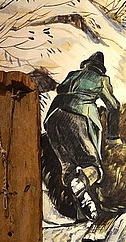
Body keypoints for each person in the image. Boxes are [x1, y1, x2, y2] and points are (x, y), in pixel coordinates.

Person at [43, 51, 120, 222]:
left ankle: (82, 213)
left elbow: (61, 91)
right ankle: (83, 183)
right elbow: (113, 106)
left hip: (53, 118)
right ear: (100, 69)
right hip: (78, 117)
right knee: (92, 166)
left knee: (68, 167)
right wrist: (113, 137)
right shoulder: (101, 79)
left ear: (85, 65)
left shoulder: (73, 75)